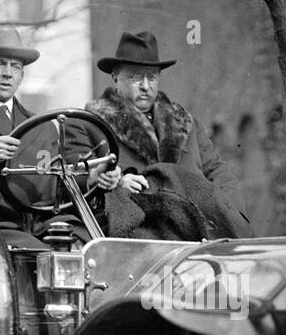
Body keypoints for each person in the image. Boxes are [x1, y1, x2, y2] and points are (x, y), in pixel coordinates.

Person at [0, 28, 109, 244]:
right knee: (46, 255)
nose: (8, 73)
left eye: (15, 66)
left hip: (44, 223)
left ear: (22, 76)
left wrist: (91, 177)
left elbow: (55, 185)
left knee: (94, 247)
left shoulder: (43, 126)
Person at [66, 31, 252, 239]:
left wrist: (232, 215)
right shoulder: (87, 123)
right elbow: (76, 176)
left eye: (152, 77)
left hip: (199, 230)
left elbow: (217, 171)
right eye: (135, 77)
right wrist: (115, 184)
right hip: (140, 233)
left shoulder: (186, 123)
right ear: (115, 77)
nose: (146, 86)